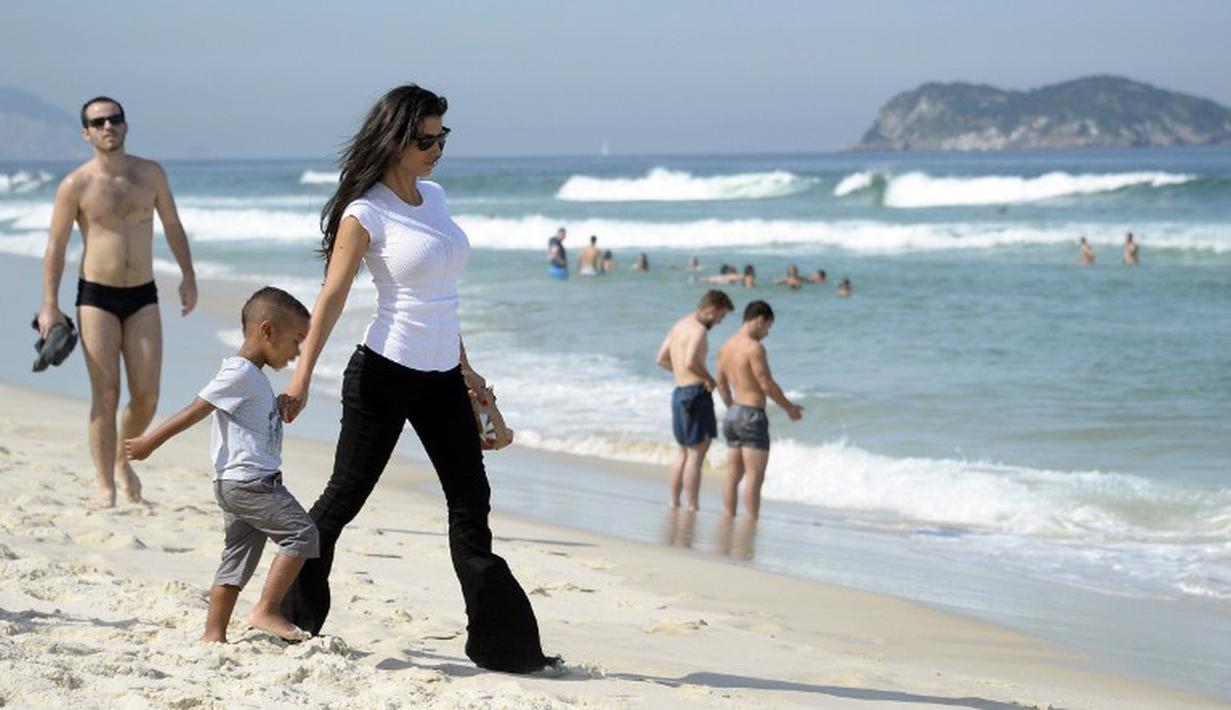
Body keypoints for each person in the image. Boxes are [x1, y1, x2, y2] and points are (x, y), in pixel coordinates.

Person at [275, 85, 557, 673]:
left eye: (442, 137)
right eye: (425, 139)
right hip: (382, 373)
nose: (436, 149)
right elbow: (331, 297)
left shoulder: (435, 197)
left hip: (440, 379)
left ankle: (503, 647)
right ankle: (285, 612)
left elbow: (440, 300)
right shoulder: (366, 211)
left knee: (471, 501)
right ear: (395, 140)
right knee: (344, 499)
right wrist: (303, 376)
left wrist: (467, 369)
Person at [124, 287, 317, 643]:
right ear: (267, 331)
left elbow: (248, 421)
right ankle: (267, 609)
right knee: (302, 534)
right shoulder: (240, 374)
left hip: (238, 484)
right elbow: (197, 409)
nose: (297, 353)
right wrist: (152, 440)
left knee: (237, 557)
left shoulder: (252, 378)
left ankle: (213, 634)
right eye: (295, 340)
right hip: (251, 484)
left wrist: (277, 405)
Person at [37, 96, 198, 508]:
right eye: (98, 121)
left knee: (146, 396)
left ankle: (124, 458)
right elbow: (56, 245)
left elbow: (173, 225)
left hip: (143, 294)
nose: (108, 126)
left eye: (114, 119)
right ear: (86, 133)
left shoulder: (151, 174)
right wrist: (49, 305)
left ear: (125, 126)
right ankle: (105, 484)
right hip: (96, 297)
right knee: (105, 394)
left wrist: (188, 275)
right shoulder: (75, 185)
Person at [715, 300, 803, 519]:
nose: (767, 333)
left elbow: (722, 383)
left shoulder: (725, 346)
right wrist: (789, 408)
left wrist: (732, 409)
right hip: (752, 414)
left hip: (733, 413)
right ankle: (751, 523)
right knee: (754, 477)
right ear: (759, 319)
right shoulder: (754, 348)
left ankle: (728, 519)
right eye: (768, 327)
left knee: (732, 476)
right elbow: (765, 383)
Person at [654, 289, 734, 510]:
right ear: (711, 310)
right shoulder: (699, 330)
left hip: (679, 392)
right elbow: (690, 361)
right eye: (721, 316)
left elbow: (661, 359)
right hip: (695, 394)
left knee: (682, 451)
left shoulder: (679, 325)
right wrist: (709, 379)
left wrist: (680, 372)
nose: (719, 322)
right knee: (696, 454)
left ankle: (674, 501)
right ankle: (692, 504)